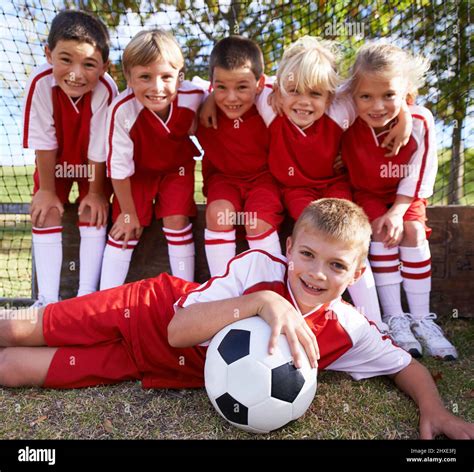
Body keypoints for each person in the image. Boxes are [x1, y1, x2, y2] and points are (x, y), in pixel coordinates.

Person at [0, 199, 471, 440]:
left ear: (358, 273)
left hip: (153, 367)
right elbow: (177, 330)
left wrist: (434, 409)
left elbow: (402, 366)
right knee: (17, 328)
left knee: (14, 370)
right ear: (288, 249)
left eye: (336, 265)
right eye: (306, 254)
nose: (315, 272)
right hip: (145, 310)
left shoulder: (348, 328)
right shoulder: (257, 269)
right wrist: (262, 304)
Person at [200, 36, 412, 332]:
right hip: (296, 190)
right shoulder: (270, 104)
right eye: (294, 91)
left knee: (348, 238)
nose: (303, 101)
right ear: (280, 91)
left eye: (314, 93)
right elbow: (235, 86)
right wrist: (211, 97)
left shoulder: (340, 109)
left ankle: (374, 324)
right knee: (315, 232)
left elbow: (376, 95)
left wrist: (405, 115)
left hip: (334, 187)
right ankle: (260, 304)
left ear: (329, 96)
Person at [341, 42, 457, 360]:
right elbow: (320, 89)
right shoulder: (348, 111)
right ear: (354, 93)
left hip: (405, 195)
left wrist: (399, 210)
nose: (377, 106)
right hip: (366, 194)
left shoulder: (420, 121)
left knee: (413, 233)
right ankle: (395, 319)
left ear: (405, 91)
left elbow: (420, 174)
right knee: (380, 230)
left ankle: (421, 319)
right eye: (367, 96)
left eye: (388, 95)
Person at [22, 10, 118, 306]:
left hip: (94, 165)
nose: (76, 74)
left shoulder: (106, 89)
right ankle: (47, 301)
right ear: (49, 54)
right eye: (66, 59)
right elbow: (44, 140)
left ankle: (87, 297)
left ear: (104, 67)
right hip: (56, 162)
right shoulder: (40, 83)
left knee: (93, 210)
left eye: (89, 64)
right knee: (45, 210)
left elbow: (101, 147)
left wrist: (97, 192)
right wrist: (48, 191)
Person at [99, 30, 204, 289]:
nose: (157, 87)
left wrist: (210, 105)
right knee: (126, 228)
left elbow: (211, 90)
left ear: (180, 77)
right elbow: (119, 169)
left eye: (166, 77)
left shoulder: (195, 96)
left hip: (176, 170)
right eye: (145, 77)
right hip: (136, 174)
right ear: (129, 77)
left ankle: (185, 295)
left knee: (176, 220)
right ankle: (104, 298)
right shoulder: (122, 110)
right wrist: (127, 212)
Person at [194, 36, 284, 277]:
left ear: (259, 83)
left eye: (242, 87)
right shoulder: (202, 103)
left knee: (256, 221)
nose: (231, 97)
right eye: (221, 87)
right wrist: (210, 97)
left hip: (265, 179)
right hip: (224, 179)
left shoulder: (270, 100)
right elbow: (193, 85)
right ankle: (222, 290)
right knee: (217, 214)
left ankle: (273, 287)